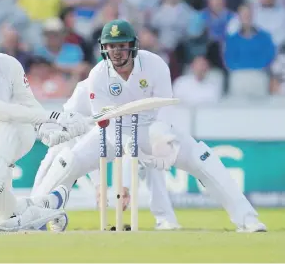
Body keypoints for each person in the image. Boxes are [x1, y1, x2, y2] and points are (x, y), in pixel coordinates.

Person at [33, 20, 267, 233]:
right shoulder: (97, 75)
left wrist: (162, 140)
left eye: (121, 45)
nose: (116, 52)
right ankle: (32, 216)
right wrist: (119, 184)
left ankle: (247, 219)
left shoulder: (155, 65)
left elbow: (164, 110)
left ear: (133, 46)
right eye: (111, 46)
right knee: (68, 161)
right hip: (114, 132)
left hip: (152, 127)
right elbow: (106, 123)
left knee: (204, 158)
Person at [0, 26, 89, 232]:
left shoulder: (9, 64)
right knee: (3, 215)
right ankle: (48, 204)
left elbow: (27, 103)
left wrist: (44, 127)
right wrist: (54, 117)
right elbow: (2, 110)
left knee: (5, 126)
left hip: (18, 134)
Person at [31, 78, 180, 231]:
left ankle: (165, 219)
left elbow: (131, 142)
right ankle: (36, 216)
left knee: (152, 159)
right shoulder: (84, 91)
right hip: (73, 137)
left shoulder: (133, 91)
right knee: (58, 163)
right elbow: (80, 141)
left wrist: (124, 187)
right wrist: (99, 185)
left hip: (116, 135)